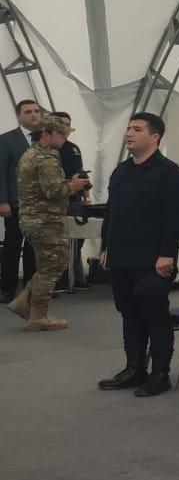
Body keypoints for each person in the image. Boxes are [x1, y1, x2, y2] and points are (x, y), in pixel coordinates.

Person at [95, 113, 179, 397]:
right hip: (121, 256)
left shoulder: (171, 174)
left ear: (155, 136)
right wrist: (106, 247)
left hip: (153, 261)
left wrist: (167, 254)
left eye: (137, 129)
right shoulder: (121, 171)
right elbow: (112, 213)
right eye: (128, 128)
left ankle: (160, 374)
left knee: (154, 315)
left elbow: (176, 218)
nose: (129, 133)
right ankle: (134, 368)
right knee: (129, 314)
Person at [7, 115, 88, 329]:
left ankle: (24, 302)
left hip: (36, 219)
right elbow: (53, 191)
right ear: (45, 134)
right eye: (61, 133)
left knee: (52, 264)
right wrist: (74, 186)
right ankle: (38, 315)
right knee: (51, 267)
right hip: (45, 220)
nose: (64, 138)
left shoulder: (31, 154)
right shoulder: (45, 159)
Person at [0, 99, 43, 302]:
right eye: (28, 112)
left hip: (40, 204)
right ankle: (7, 288)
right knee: (12, 246)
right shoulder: (6, 140)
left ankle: (29, 289)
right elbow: (0, 172)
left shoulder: (45, 138)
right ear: (18, 116)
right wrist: (2, 200)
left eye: (36, 111)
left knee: (34, 248)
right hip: (16, 203)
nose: (33, 114)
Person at [48, 112, 87, 293]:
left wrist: (86, 194)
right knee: (55, 240)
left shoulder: (73, 148)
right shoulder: (45, 149)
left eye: (68, 124)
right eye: (62, 124)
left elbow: (80, 172)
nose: (66, 128)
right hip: (54, 200)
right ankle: (57, 280)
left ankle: (74, 276)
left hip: (74, 199)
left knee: (77, 238)